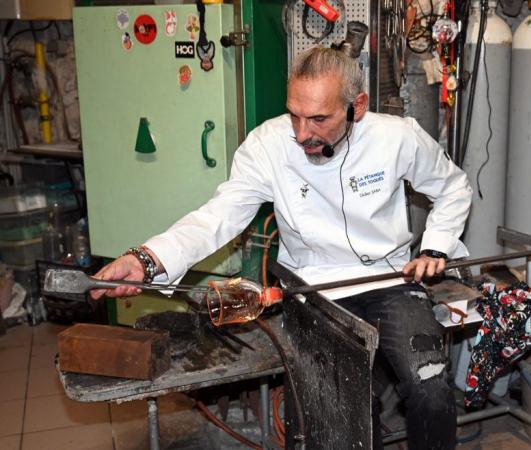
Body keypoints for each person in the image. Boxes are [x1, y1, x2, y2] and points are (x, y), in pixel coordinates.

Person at [92, 47, 472, 449]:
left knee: (430, 386)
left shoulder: (397, 137)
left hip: (389, 278)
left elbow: (453, 188)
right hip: (313, 288)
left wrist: (435, 248)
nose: (302, 133)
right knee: (346, 403)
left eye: (319, 119)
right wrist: (146, 260)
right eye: (294, 114)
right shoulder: (268, 146)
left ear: (356, 107)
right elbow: (217, 216)